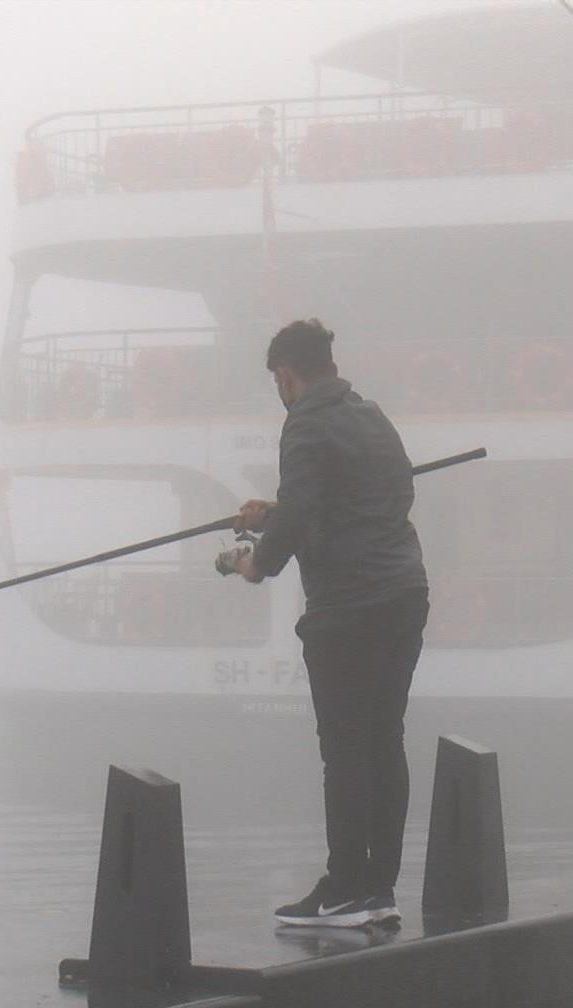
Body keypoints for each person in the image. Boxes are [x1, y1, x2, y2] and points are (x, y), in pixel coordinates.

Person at [231, 318, 429, 928]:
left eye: (276, 381)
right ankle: (378, 889)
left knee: (344, 750)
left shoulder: (305, 424)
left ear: (285, 374)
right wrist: (277, 510)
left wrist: (256, 563)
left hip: (347, 608)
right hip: (404, 594)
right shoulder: (372, 416)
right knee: (384, 740)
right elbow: (362, 500)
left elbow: (298, 525)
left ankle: (343, 887)